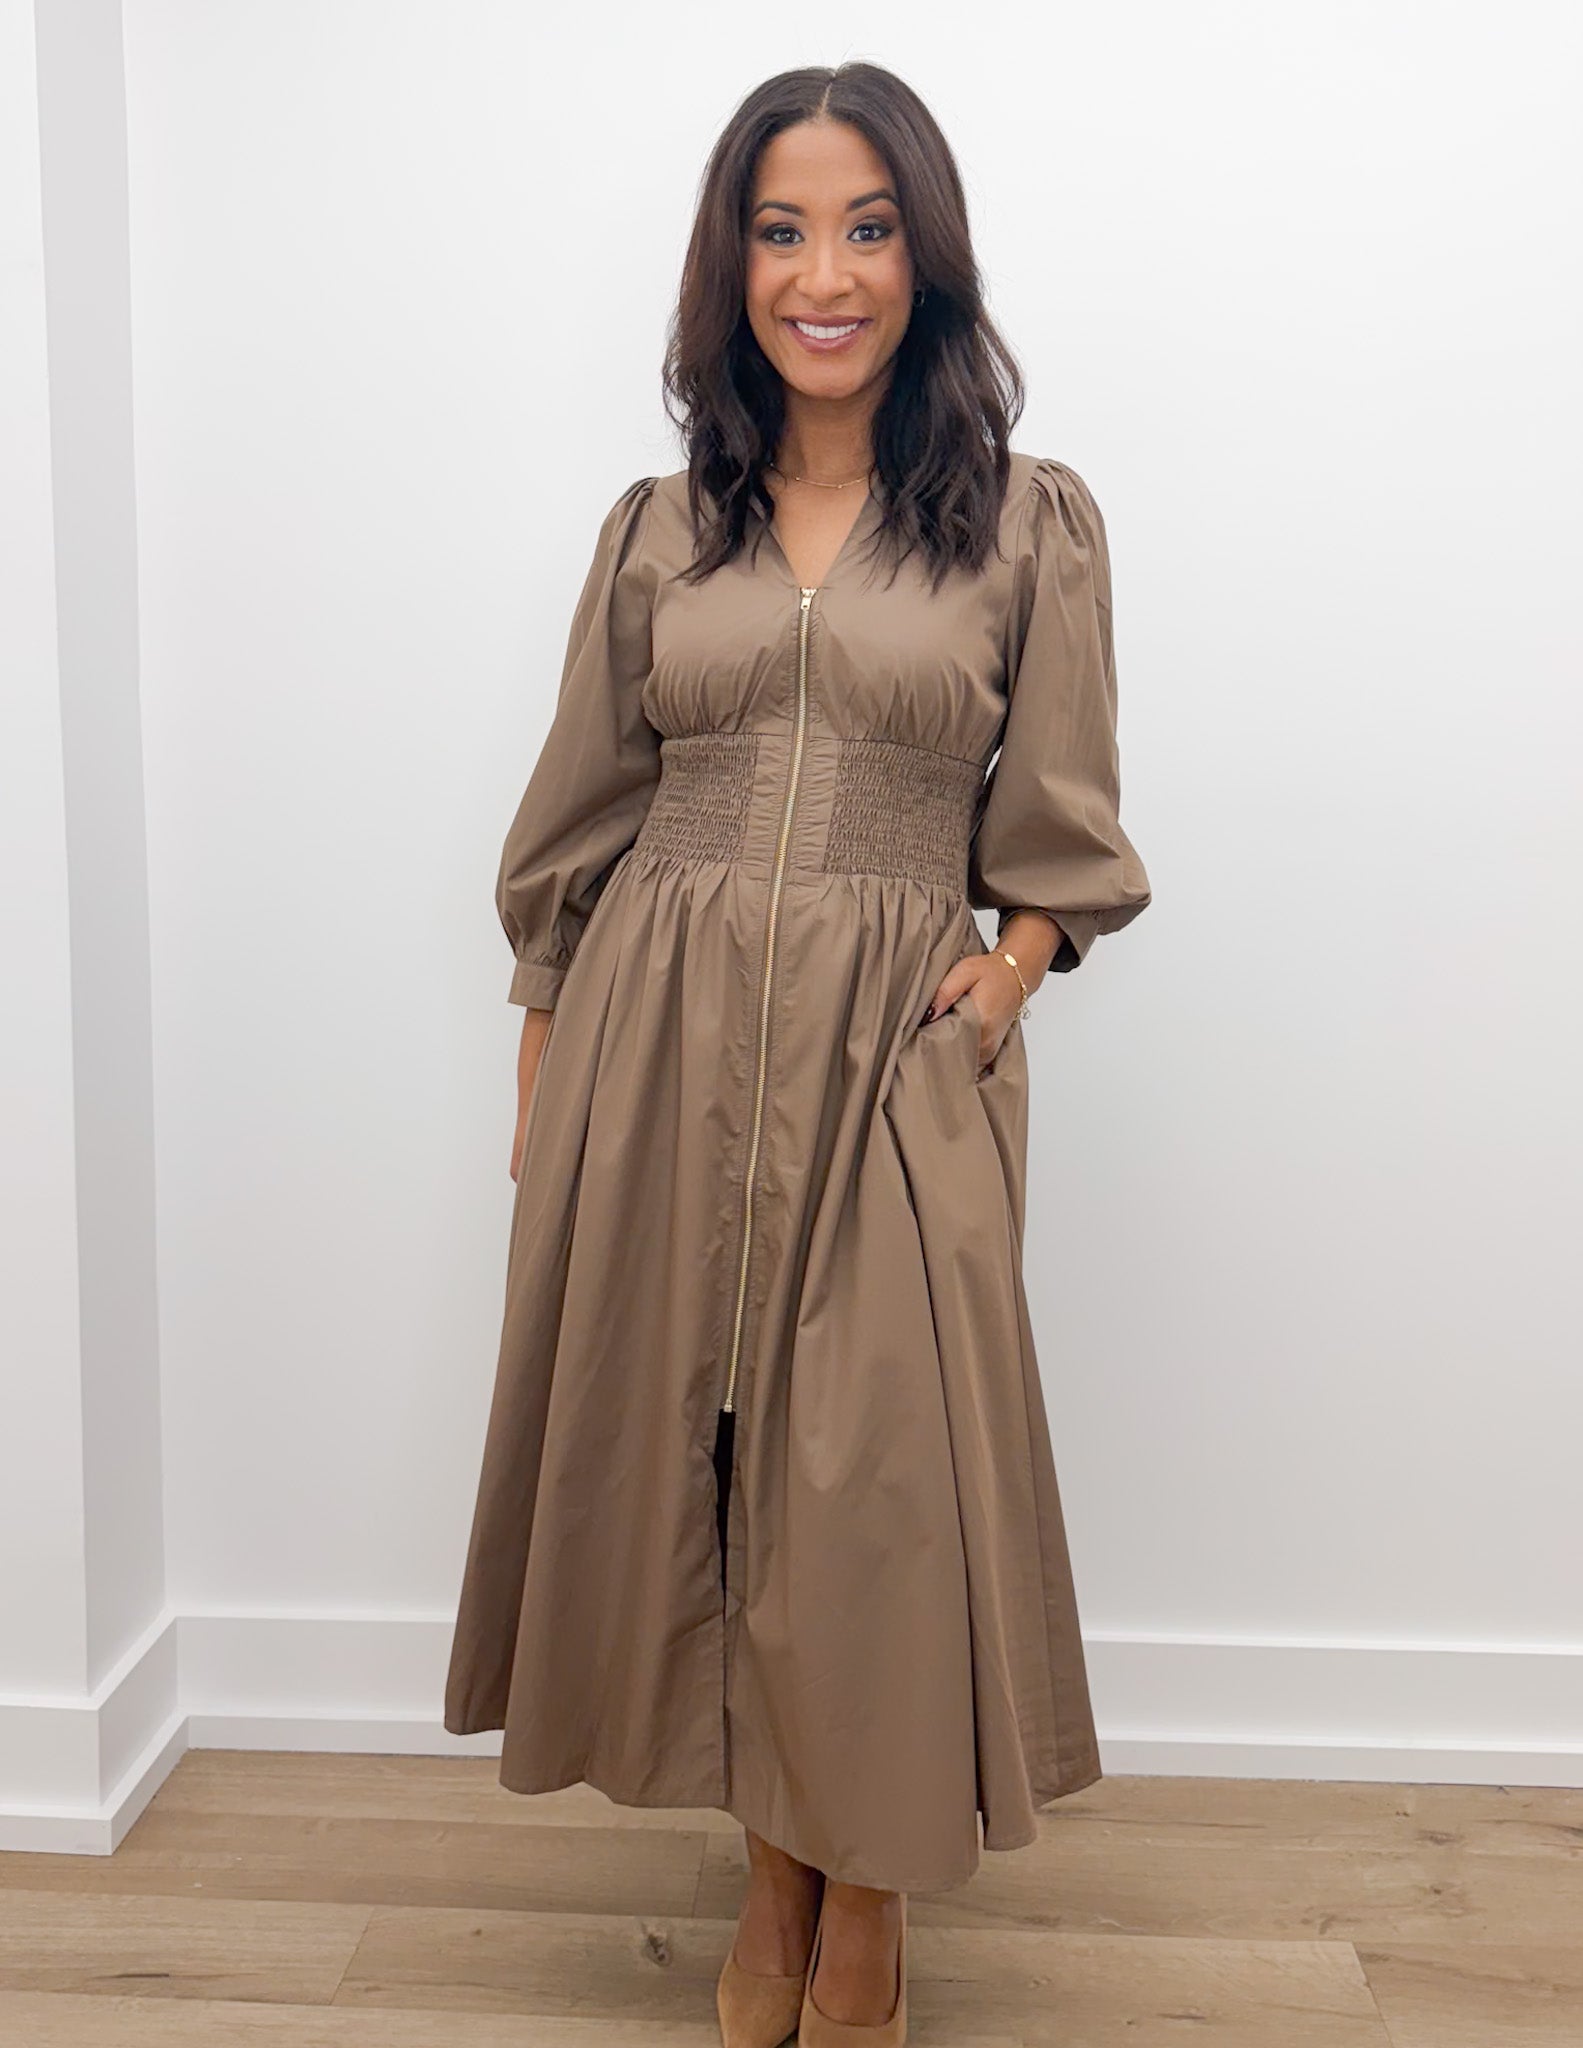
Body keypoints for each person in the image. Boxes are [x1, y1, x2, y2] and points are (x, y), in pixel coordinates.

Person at [444, 60, 1151, 2048]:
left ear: (924, 258)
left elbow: (1064, 821)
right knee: (712, 1456)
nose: (821, 274)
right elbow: (581, 808)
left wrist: (1006, 979)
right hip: (656, 1043)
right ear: (730, 264)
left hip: (896, 1054)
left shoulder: (1027, 524)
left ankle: (871, 1890)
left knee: (873, 1487)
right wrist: (545, 1054)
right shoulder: (663, 529)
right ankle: (773, 1876)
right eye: (780, 230)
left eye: (863, 227)